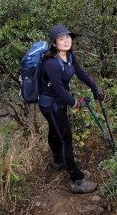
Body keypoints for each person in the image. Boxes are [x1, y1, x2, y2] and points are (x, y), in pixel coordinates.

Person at [38, 24, 103, 194]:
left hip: (58, 102)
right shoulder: (51, 63)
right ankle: (77, 180)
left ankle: (58, 160)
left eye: (68, 37)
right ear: (54, 43)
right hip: (50, 106)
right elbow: (59, 89)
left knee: (55, 131)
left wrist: (95, 88)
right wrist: (75, 103)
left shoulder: (69, 56)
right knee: (65, 138)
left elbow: (81, 73)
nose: (66, 41)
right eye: (61, 38)